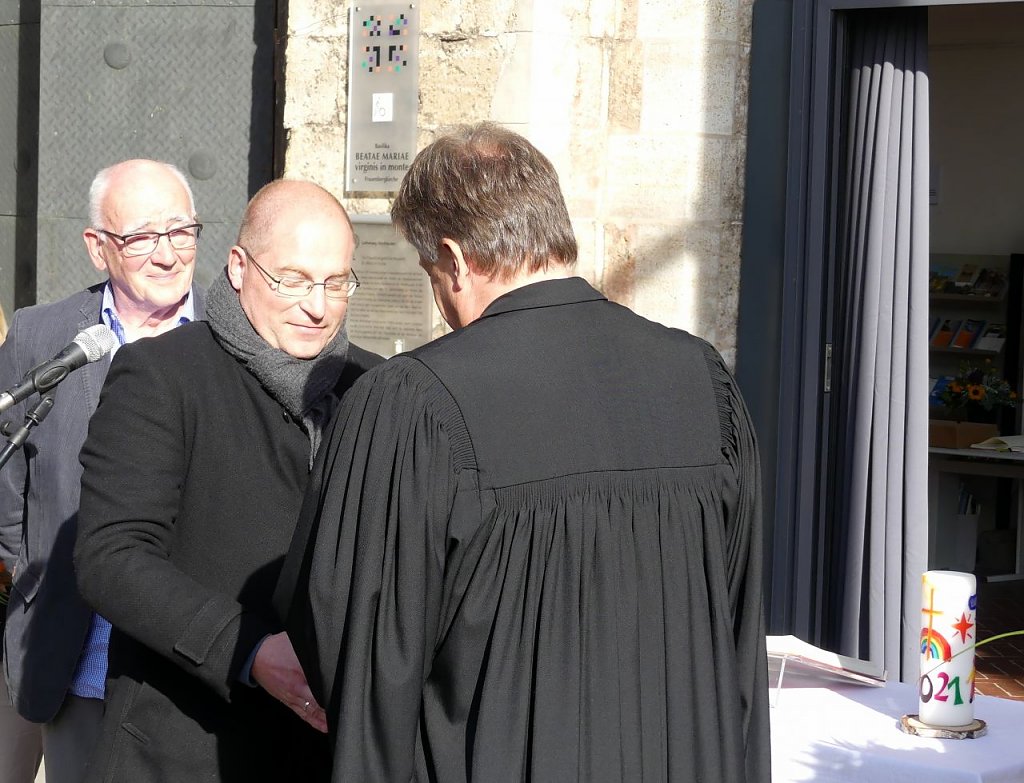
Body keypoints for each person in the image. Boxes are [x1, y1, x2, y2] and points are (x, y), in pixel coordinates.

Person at [283, 122, 771, 781]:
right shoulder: (703, 381)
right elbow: (738, 631)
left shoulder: (413, 402)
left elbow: (357, 649)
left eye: (431, 274)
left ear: (454, 259)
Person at [73, 178, 383, 782]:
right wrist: (249, 650)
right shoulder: (163, 374)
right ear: (239, 267)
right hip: (182, 747)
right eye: (292, 280)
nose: (318, 306)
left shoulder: (376, 387)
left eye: (336, 283)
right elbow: (111, 557)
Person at [0, 159, 205, 783]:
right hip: (70, 658)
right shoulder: (41, 336)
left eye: (181, 231)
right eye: (141, 237)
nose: (167, 254)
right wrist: (35, 578)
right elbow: (9, 488)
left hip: (189, 672)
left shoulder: (232, 335)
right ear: (98, 247)